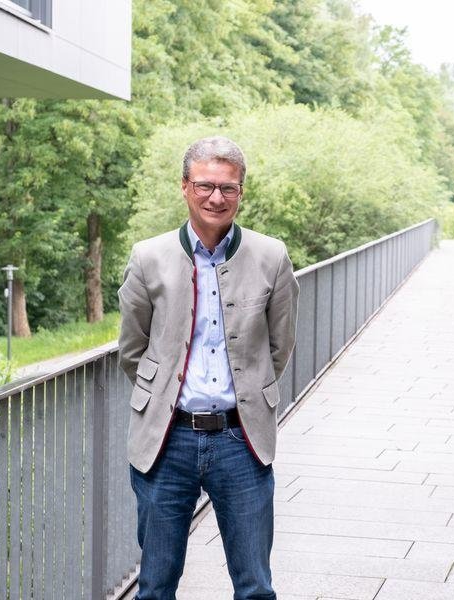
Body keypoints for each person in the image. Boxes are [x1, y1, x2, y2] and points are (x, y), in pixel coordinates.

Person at [118, 136, 299, 600]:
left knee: (255, 586)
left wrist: (248, 392)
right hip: (167, 438)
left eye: (228, 188)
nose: (216, 197)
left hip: (241, 438)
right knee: (155, 586)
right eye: (204, 186)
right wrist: (163, 398)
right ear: (185, 188)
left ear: (241, 191)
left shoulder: (272, 256)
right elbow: (132, 350)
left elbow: (280, 346)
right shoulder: (148, 257)